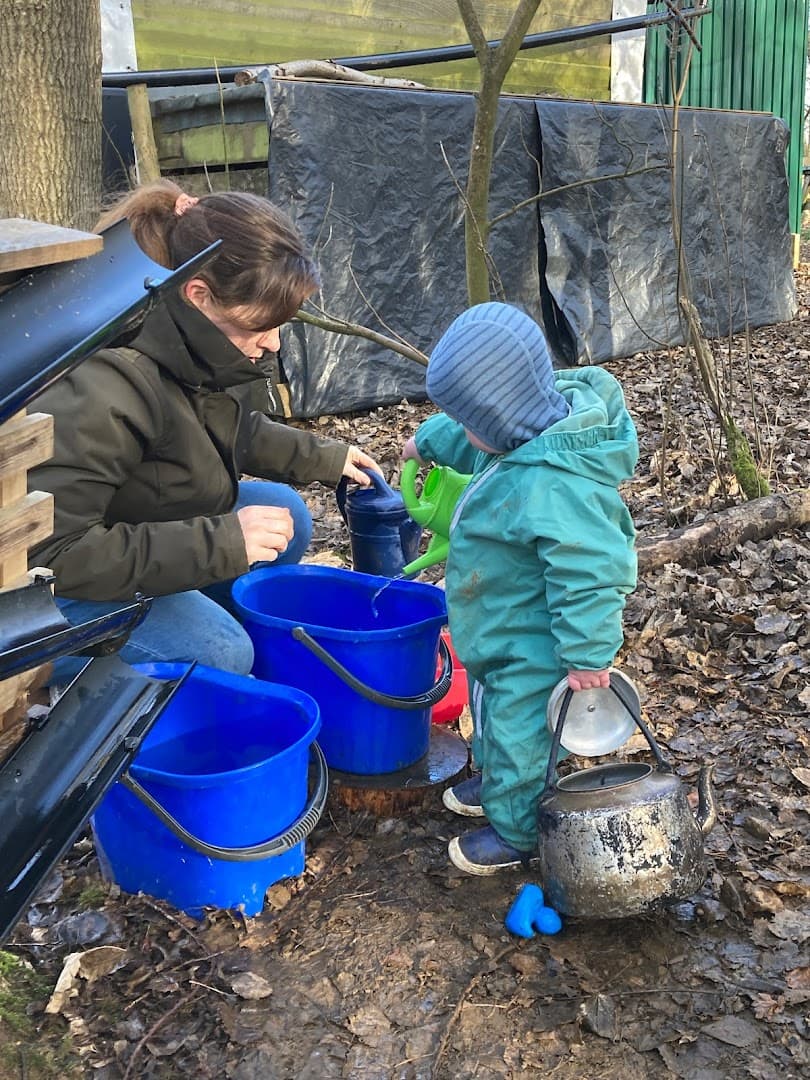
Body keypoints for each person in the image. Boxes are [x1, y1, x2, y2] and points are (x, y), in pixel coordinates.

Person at [29, 180, 382, 685]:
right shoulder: (106, 381)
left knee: (290, 519)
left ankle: (197, 633)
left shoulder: (196, 337)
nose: (275, 344)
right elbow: (52, 556)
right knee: (221, 652)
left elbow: (226, 425)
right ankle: (135, 682)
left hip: (135, 526)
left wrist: (325, 456)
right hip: (47, 595)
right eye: (261, 324)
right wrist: (221, 543)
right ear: (199, 295)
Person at [401, 302, 638, 875]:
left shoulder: (560, 486)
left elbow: (592, 571)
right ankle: (500, 781)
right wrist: (427, 441)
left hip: (534, 646)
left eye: (467, 420)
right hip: (497, 629)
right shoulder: (516, 435)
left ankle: (522, 830)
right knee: (489, 716)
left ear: (504, 417)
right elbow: (473, 439)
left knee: (521, 732)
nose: (464, 432)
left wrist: (586, 655)